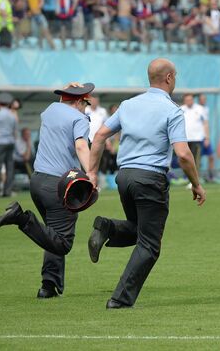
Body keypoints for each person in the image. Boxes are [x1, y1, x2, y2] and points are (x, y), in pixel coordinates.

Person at [86, 58, 206, 309]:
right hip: (150, 178)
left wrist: (92, 173)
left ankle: (106, 227)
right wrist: (196, 184)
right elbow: (183, 154)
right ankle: (120, 299)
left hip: (125, 176)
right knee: (150, 245)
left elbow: (99, 136)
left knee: (138, 228)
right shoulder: (172, 110)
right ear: (170, 78)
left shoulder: (128, 105)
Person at [0, 83, 94, 299]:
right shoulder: (78, 119)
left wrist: (66, 91)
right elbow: (82, 146)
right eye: (85, 102)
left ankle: (49, 286)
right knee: (62, 243)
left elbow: (61, 103)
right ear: (77, 101)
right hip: (60, 184)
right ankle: (21, 218)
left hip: (37, 181)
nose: (86, 107)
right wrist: (91, 174)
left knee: (51, 233)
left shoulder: (50, 111)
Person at [181, 93, 209, 176]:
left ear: (193, 100)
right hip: (185, 139)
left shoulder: (200, 109)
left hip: (197, 139)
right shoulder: (181, 109)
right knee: (186, 160)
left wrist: (207, 138)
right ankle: (187, 178)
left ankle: (195, 180)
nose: (189, 101)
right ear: (184, 101)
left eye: (190, 100)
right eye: (187, 100)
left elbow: (205, 123)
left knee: (196, 159)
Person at [198, 94, 215, 181]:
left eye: (205, 99)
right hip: (198, 138)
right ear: (199, 100)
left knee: (211, 156)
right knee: (197, 158)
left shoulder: (206, 109)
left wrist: (207, 137)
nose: (204, 100)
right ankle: (197, 177)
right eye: (202, 99)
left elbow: (206, 124)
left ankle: (211, 176)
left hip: (205, 137)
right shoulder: (196, 109)